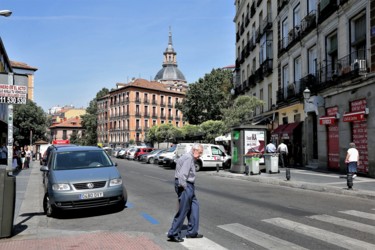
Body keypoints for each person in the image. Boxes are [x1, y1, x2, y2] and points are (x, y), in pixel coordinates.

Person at [167, 143, 204, 242]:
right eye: (200, 153)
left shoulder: (188, 157)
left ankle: (192, 232)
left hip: (189, 185)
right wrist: (183, 188)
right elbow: (182, 175)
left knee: (194, 208)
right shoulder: (188, 158)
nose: (201, 155)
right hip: (185, 185)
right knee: (183, 210)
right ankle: (173, 233)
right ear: (194, 150)